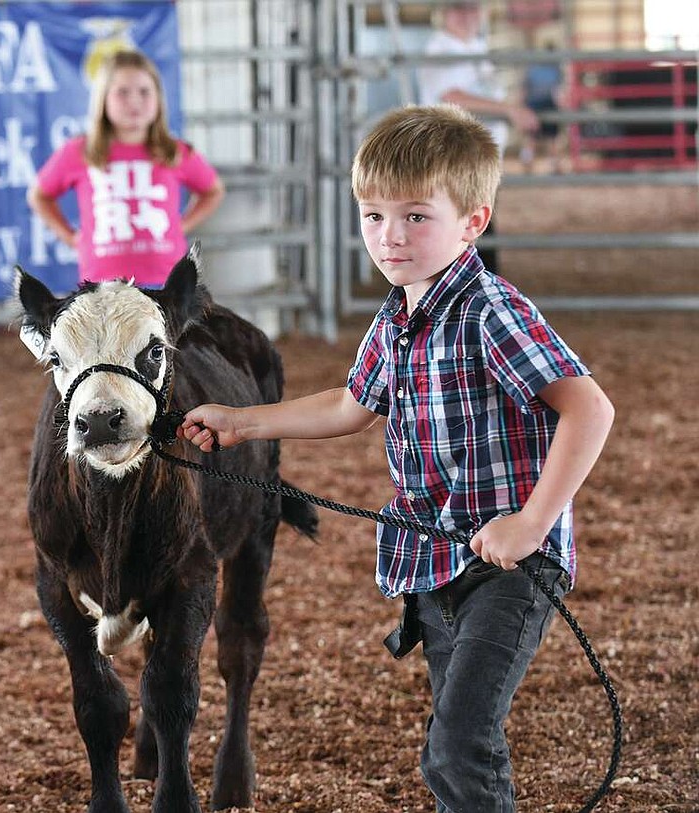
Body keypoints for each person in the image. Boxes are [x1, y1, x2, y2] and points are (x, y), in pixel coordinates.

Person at [179, 105, 615, 812]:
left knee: (458, 744)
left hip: (509, 566)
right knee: (458, 738)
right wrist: (239, 421)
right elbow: (351, 406)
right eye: (374, 215)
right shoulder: (396, 315)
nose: (390, 236)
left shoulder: (489, 309)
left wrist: (532, 524)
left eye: (416, 216)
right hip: (436, 561)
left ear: (473, 221)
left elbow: (590, 408)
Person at [27, 49, 225, 287]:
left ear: (159, 99)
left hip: (166, 284)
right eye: (122, 92)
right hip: (102, 285)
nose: (134, 101)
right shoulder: (80, 151)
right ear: (103, 99)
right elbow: (39, 195)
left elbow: (213, 191)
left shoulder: (175, 151)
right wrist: (71, 238)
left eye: (144, 92)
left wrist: (181, 225)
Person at [416, 0, 539, 273]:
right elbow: (452, 96)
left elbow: (482, 92)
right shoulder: (441, 49)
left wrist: (510, 106)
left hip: (476, 157)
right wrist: (508, 109)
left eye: (472, 9)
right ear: (444, 13)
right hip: (453, 157)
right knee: (466, 233)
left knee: (477, 230)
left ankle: (478, 296)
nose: (467, 16)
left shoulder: (475, 47)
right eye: (459, 9)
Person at [520, 44, 565, 173]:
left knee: (531, 138)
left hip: (533, 104)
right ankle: (555, 166)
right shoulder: (556, 69)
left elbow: (524, 89)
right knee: (552, 138)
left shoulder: (532, 68)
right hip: (548, 104)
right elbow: (558, 92)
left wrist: (522, 106)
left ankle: (527, 165)